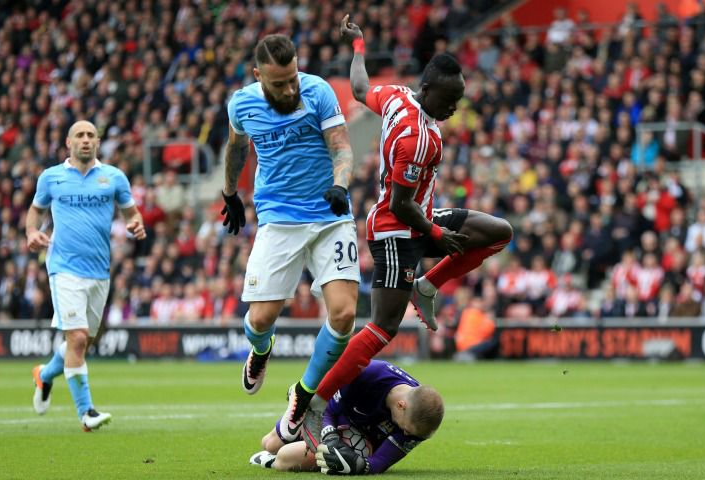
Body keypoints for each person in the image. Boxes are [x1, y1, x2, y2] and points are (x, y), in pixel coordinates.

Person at [299, 16, 513, 450]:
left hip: (420, 212)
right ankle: (317, 403)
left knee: (498, 232)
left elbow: (360, 89)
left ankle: (428, 287)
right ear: (430, 90)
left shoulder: (396, 96)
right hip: (397, 230)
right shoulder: (419, 139)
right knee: (382, 328)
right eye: (450, 101)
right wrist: (436, 232)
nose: (454, 110)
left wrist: (358, 46)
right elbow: (399, 204)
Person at [220, 34, 360, 442]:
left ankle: (303, 393)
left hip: (329, 215)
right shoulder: (241, 104)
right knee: (260, 319)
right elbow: (236, 149)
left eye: (293, 77)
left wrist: (341, 184)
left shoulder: (317, 91)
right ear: (258, 75)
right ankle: (262, 349)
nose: (290, 88)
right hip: (279, 219)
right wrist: (230, 193)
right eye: (279, 83)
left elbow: (342, 148)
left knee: (344, 314)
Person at [28, 120, 146, 431]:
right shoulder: (51, 177)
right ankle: (87, 412)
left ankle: (45, 374)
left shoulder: (114, 177)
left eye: (90, 135)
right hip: (64, 269)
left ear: (97, 142)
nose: (85, 140)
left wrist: (136, 222)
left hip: (99, 272)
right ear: (68, 142)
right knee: (78, 338)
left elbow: (131, 211)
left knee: (83, 342)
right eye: (79, 135)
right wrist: (30, 231)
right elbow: (36, 210)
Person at [249, 360, 443, 475]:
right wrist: (330, 435)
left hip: (359, 441)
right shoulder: (367, 375)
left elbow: (381, 461)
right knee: (270, 443)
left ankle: (272, 460)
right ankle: (280, 444)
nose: (406, 434)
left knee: (285, 458)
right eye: (406, 429)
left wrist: (359, 465)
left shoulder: (420, 423)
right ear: (401, 406)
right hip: (327, 413)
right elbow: (327, 409)